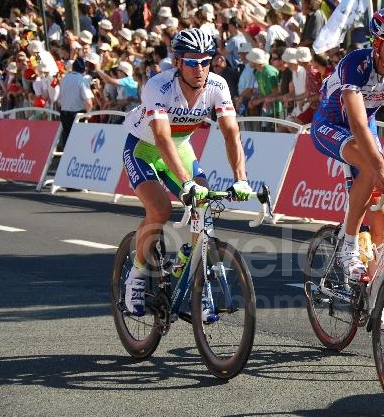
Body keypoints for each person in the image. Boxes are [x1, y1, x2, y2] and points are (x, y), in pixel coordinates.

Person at [121, 28, 253, 318]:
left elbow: (232, 133)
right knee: (160, 209)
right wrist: (185, 182)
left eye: (206, 61)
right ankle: (137, 276)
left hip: (180, 147)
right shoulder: (158, 86)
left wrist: (241, 178)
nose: (199, 68)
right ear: (178, 62)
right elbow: (161, 138)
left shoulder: (217, 86)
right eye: (192, 62)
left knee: (202, 205)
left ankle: (194, 279)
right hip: (144, 148)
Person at [310, 7, 384, 286]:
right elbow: (357, 124)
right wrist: (379, 164)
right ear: (377, 44)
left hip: (366, 125)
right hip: (331, 125)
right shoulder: (355, 64)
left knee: (382, 210)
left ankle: (373, 284)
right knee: (372, 168)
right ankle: (348, 246)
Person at [58, 58, 94, 148]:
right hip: (77, 115)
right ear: (84, 69)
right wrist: (88, 114)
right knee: (78, 144)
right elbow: (89, 102)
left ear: (73, 68)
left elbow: (59, 99)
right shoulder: (82, 80)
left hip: (64, 113)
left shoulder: (64, 79)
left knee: (67, 143)